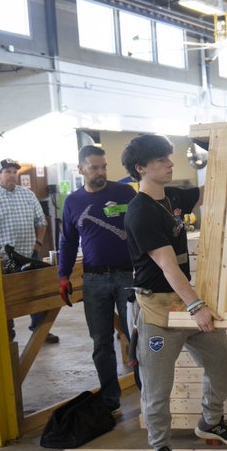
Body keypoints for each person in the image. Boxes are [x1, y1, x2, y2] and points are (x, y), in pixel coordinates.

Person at [121, 134, 227, 451]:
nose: (169, 163)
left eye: (167, 157)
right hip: (159, 310)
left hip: (186, 301)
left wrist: (219, 151)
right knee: (158, 387)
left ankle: (211, 422)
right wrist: (196, 306)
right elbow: (167, 266)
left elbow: (217, 187)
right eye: (160, 160)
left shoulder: (174, 196)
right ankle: (161, 448)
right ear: (141, 168)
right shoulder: (140, 213)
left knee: (221, 363)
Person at [57, 145, 137, 411]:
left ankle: (147, 395)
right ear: (81, 169)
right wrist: (63, 275)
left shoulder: (125, 193)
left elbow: (141, 228)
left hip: (128, 276)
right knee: (101, 342)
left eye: (103, 166)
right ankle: (109, 400)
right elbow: (68, 241)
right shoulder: (72, 202)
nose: (101, 172)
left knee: (136, 336)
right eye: (94, 167)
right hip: (94, 281)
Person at [0, 158, 58, 344]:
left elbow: (41, 221)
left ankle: (40, 330)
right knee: (5, 296)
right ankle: (7, 334)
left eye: (14, 172)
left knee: (37, 291)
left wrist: (37, 243)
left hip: (30, 254)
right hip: (4, 258)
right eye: (7, 172)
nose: (12, 175)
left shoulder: (28, 195)